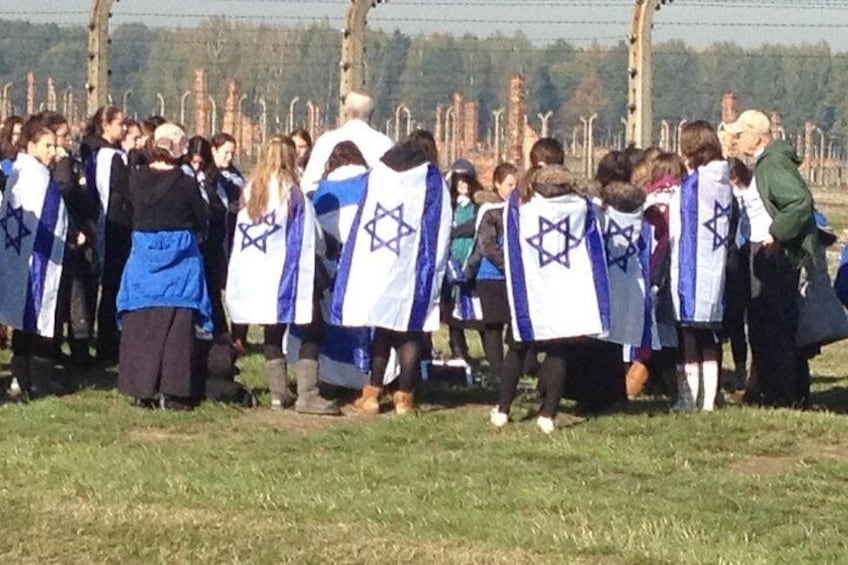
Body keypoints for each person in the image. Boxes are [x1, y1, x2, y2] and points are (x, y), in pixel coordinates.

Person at [334, 130, 451, 415]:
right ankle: (404, 397)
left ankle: (372, 394)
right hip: (413, 265)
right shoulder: (431, 181)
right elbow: (441, 226)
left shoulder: (380, 174)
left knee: (383, 331)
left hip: (380, 262)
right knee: (411, 331)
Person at [497, 165, 610, 433]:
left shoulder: (522, 206)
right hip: (565, 291)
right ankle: (548, 414)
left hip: (535, 288)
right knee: (559, 351)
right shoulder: (581, 207)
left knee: (517, 347)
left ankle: (502, 408)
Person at [726, 109, 816, 409]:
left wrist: (776, 234)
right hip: (764, 251)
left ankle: (782, 395)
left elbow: (799, 202)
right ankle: (771, 390)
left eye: (741, 134)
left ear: (757, 134)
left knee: (774, 327)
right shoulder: (765, 162)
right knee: (765, 326)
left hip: (774, 255)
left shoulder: (773, 163)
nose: (736, 140)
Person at [116, 123, 210, 409]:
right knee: (177, 327)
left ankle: (141, 389)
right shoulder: (186, 183)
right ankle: (174, 392)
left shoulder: (135, 179)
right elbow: (201, 216)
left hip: (143, 260)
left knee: (141, 323)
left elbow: (126, 210)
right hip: (180, 263)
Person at [226, 136, 317, 410]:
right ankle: (307, 392)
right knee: (311, 328)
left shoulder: (250, 189)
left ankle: (278, 393)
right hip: (285, 272)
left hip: (256, 269)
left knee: (272, 331)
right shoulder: (292, 192)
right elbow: (309, 234)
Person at [0, 117, 68, 397]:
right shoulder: (36, 176)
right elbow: (47, 219)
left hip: (19, 259)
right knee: (37, 319)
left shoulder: (23, 172)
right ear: (31, 145)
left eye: (55, 144)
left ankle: (23, 378)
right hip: (35, 262)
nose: (53, 150)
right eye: (47, 145)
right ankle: (36, 381)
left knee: (24, 320)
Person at [668, 121, 733, 412]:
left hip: (692, 268)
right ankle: (708, 399)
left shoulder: (694, 184)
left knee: (689, 333)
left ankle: (688, 398)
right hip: (715, 265)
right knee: (708, 333)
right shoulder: (723, 180)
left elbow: (680, 225)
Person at [36, 111, 98, 368]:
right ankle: (66, 348)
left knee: (76, 294)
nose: (66, 142)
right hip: (67, 234)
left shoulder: (70, 161)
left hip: (78, 229)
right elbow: (65, 195)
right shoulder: (60, 165)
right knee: (70, 296)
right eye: (61, 136)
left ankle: (72, 345)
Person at [81, 105, 129, 364]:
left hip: (104, 220)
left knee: (108, 287)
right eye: (119, 123)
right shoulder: (110, 156)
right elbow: (117, 192)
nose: (124, 127)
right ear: (106, 125)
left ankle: (105, 342)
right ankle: (108, 344)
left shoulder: (96, 152)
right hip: (112, 224)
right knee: (111, 287)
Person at [463, 162, 518, 387]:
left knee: (514, 323)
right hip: (491, 276)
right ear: (497, 184)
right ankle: (498, 370)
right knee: (493, 325)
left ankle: (517, 366)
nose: (514, 189)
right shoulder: (490, 210)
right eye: (509, 184)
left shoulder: (519, 209)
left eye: (516, 184)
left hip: (512, 279)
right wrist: (510, 266)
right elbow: (488, 245)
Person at [299, 90, 393, 194]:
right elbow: (390, 185)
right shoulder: (385, 144)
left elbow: (309, 185)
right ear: (372, 113)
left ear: (345, 111)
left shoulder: (326, 141)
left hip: (331, 205)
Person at [186, 136, 228, 336]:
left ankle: (218, 332)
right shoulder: (183, 176)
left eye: (199, 163)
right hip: (193, 241)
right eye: (192, 162)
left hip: (212, 242)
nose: (196, 167)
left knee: (212, 289)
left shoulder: (213, 178)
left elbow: (220, 207)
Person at [442, 158, 483, 362]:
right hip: (451, 264)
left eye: (465, 181)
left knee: (477, 310)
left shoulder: (478, 206)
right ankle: (458, 349)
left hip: (472, 262)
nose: (462, 186)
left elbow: (476, 226)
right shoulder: (448, 207)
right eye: (458, 182)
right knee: (451, 311)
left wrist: (455, 231)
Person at [0, 115, 23, 193]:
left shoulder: (26, 154)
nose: (19, 138)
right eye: (16, 134)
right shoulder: (2, 155)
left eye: (21, 134)